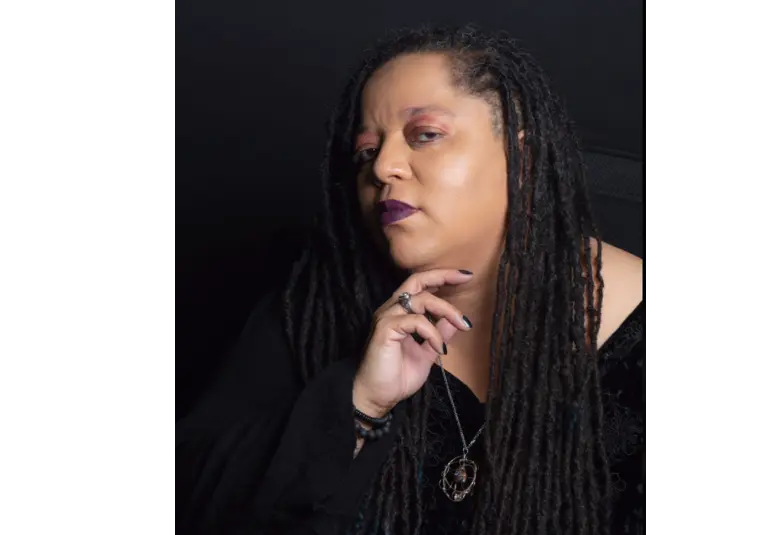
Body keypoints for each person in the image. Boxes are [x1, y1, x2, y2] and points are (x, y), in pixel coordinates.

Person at [169, 23, 644, 535]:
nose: (383, 168)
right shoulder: (310, 312)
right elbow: (194, 501)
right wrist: (358, 407)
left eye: (426, 135)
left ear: (522, 158)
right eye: (366, 152)